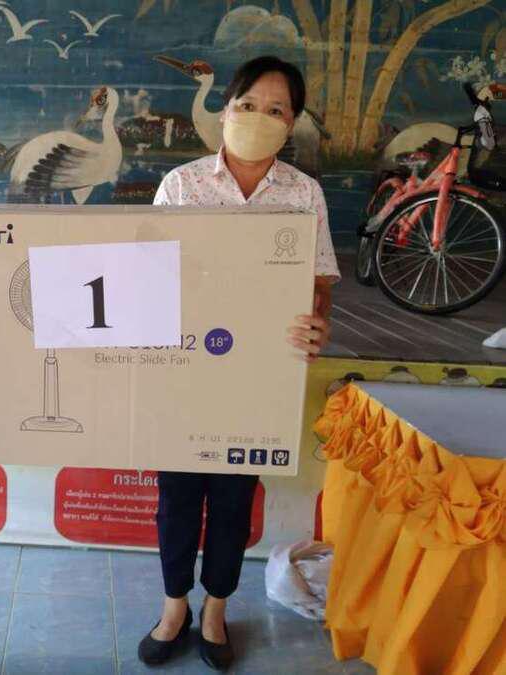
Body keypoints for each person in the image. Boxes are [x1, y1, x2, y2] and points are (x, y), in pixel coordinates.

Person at [138, 56, 340, 671]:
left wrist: (317, 321)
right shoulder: (182, 185)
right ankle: (175, 607)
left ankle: (215, 611)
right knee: (176, 499)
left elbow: (319, 284)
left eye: (276, 109)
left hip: (259, 379)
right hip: (184, 372)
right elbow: (146, 276)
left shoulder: (304, 193)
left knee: (232, 501)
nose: (259, 117)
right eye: (248, 104)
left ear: (292, 121)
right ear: (225, 109)